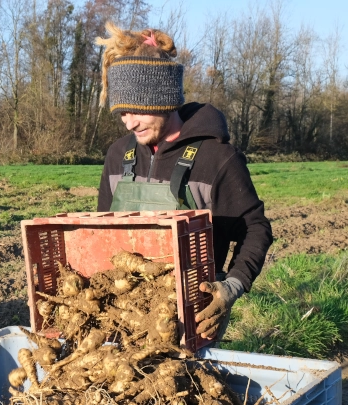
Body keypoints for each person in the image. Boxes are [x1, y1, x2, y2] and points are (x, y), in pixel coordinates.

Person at [95, 24, 273, 341]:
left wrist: (231, 286)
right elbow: (104, 235)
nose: (129, 121)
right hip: (126, 310)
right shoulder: (117, 155)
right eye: (122, 112)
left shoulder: (216, 158)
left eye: (137, 110)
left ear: (164, 100)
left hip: (196, 311)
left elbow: (256, 228)